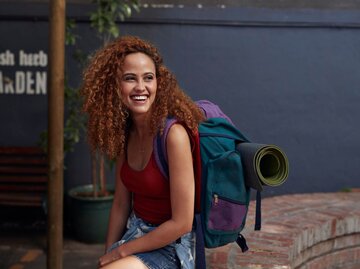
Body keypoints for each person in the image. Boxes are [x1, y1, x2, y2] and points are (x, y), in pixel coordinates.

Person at [80, 36, 205, 269]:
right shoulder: (125, 133)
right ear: (115, 86)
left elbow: (182, 223)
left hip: (171, 246)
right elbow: (120, 204)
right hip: (136, 235)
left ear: (160, 82)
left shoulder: (173, 136)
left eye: (148, 78)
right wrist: (108, 253)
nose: (141, 87)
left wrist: (119, 254)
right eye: (130, 78)